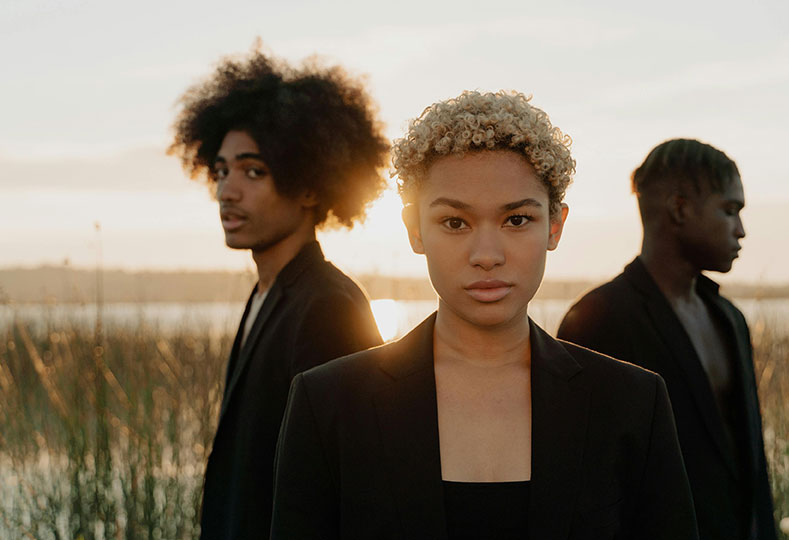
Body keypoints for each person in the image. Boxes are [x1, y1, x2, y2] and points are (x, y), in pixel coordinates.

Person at [271, 91, 698, 539]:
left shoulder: (632, 403)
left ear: (555, 226)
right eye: (455, 223)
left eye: (516, 220)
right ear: (415, 230)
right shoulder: (328, 403)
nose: (487, 255)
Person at [168, 46, 387, 540]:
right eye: (221, 171)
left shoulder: (327, 305)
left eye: (253, 171)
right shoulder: (267, 294)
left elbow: (342, 488)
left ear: (310, 186)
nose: (227, 191)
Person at [557, 138, 776, 540]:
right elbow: (581, 484)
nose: (741, 230)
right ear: (679, 209)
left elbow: (751, 466)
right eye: (729, 211)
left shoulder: (730, 319)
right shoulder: (599, 319)